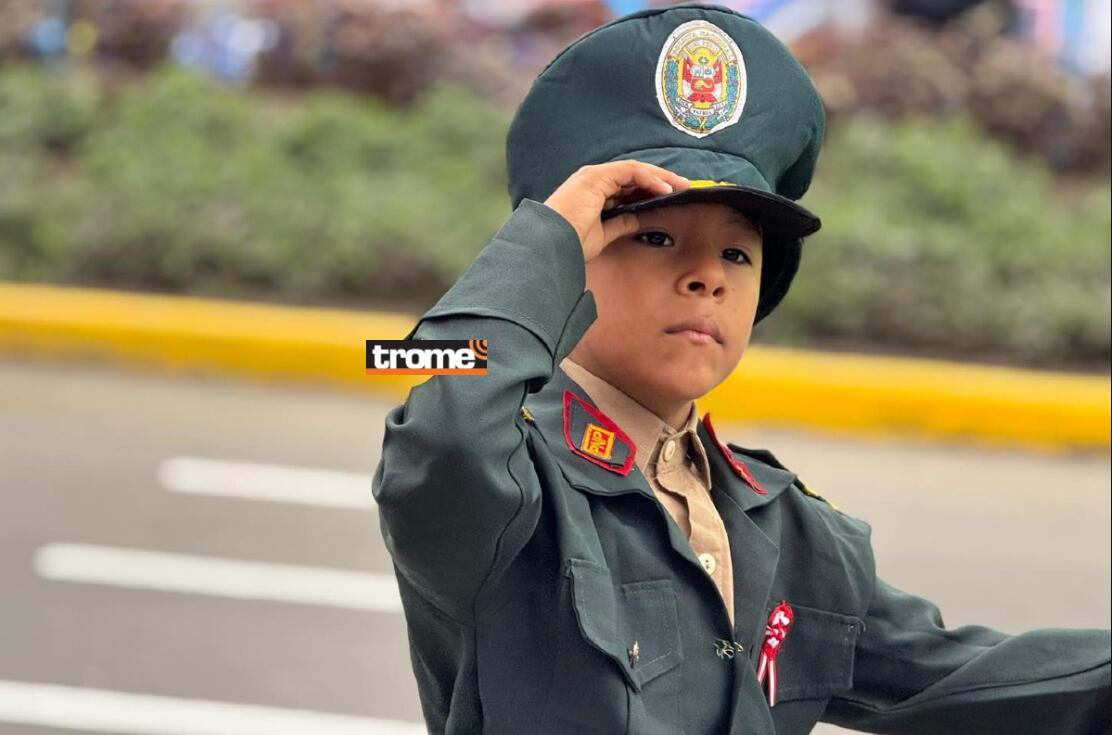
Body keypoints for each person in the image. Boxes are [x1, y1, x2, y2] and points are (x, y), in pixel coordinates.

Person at [371, 3, 1111, 733]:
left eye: (737, 251)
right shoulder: (510, 480)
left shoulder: (773, 517)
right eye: (656, 237)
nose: (708, 278)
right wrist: (541, 243)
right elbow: (437, 410)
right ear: (572, 258)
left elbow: (972, 678)